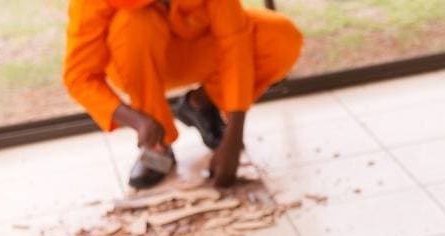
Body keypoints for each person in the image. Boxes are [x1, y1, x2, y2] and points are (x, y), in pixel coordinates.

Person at [63, 0, 302, 189]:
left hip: (199, 49)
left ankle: (202, 103)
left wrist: (234, 135)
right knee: (133, 24)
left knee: (280, 37)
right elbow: (79, 76)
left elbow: (235, 43)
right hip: (135, 59)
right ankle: (157, 145)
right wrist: (136, 120)